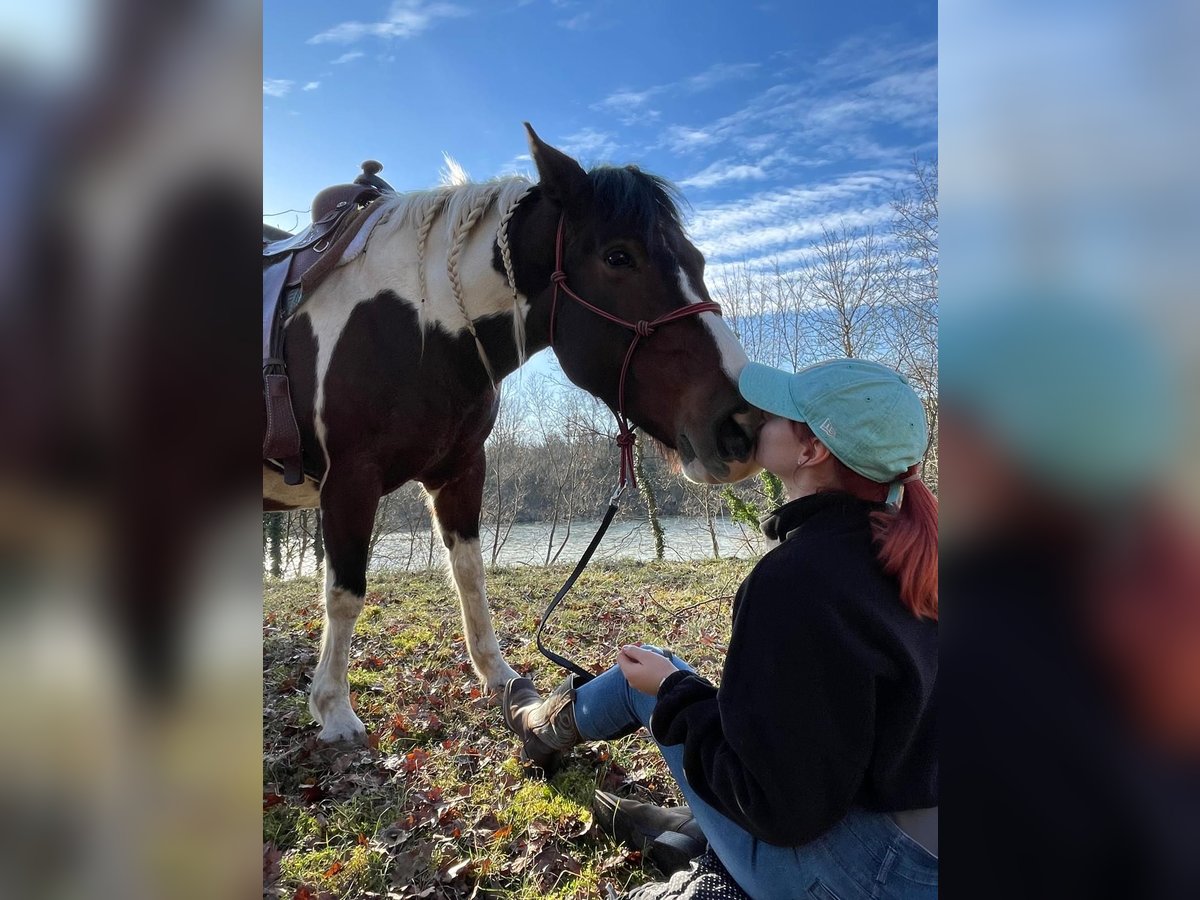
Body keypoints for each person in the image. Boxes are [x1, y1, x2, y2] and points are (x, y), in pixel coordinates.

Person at [504, 358, 939, 899]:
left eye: (778, 412)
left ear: (811, 450)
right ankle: (675, 818)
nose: (757, 418)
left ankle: (537, 728)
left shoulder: (797, 582)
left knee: (651, 677)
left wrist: (672, 693)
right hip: (920, 854)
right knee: (664, 677)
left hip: (859, 879)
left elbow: (781, 808)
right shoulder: (917, 557)